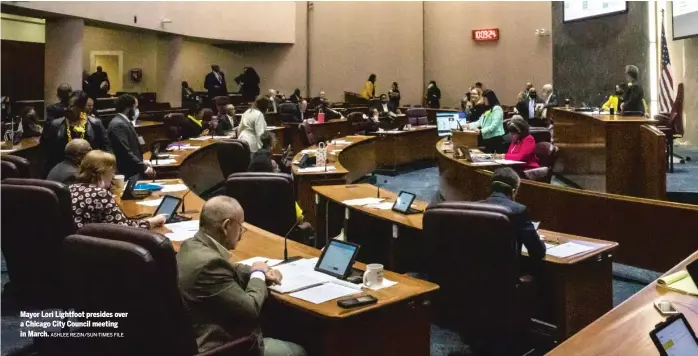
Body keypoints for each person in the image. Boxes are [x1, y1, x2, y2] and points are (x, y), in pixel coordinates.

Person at [177, 196, 306, 356]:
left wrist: (258, 269)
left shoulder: (191, 246)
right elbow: (251, 309)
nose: (241, 234)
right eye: (240, 226)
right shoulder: (210, 264)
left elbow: (229, 269)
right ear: (226, 226)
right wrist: (258, 275)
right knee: (298, 351)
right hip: (222, 347)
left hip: (193, 336)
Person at [69, 150, 166, 230]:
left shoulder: (71, 188)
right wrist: (152, 221)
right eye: (111, 171)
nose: (113, 176)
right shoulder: (99, 194)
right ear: (102, 172)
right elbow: (124, 229)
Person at [480, 167, 545, 262]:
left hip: (476, 271)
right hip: (506, 273)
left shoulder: (476, 207)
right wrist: (540, 241)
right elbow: (537, 251)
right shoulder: (519, 211)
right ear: (513, 191)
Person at [41, 90, 111, 172]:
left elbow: (107, 149)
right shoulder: (56, 125)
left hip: (90, 171)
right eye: (68, 106)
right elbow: (47, 153)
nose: (70, 109)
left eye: (74, 106)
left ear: (83, 108)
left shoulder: (95, 124)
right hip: (63, 171)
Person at [107, 94, 155, 180]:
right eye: (135, 107)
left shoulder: (124, 122)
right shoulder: (118, 125)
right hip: (127, 173)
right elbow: (125, 151)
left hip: (132, 170)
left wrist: (142, 162)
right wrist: (143, 167)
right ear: (128, 108)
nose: (136, 111)